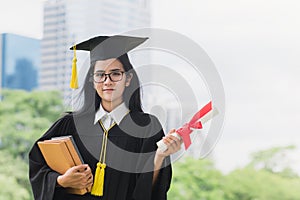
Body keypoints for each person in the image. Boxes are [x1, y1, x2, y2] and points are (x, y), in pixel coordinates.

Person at [29, 35, 182, 200]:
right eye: (100, 75)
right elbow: (38, 166)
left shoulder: (147, 127)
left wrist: (160, 156)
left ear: (128, 79)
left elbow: (149, 191)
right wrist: (61, 181)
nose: (107, 81)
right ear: (92, 81)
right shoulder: (70, 124)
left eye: (115, 74)